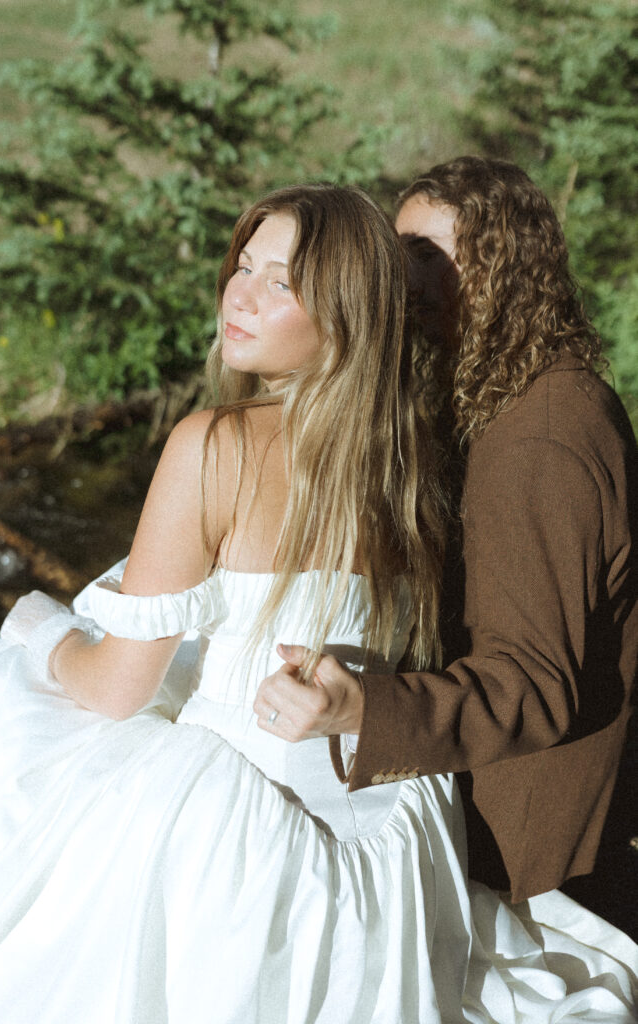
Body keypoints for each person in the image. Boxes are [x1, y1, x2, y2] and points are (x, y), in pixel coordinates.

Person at [0, 182, 635, 1024]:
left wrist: (39, 630)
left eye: (278, 281)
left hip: (244, 815)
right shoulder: (414, 460)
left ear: (348, 309)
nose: (238, 295)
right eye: (242, 265)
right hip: (392, 836)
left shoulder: (213, 444)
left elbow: (116, 688)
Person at [258, 157, 638, 910]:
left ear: (504, 270)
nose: (402, 282)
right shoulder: (525, 392)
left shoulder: (540, 442)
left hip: (529, 849)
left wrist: (360, 709)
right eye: (400, 257)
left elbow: (531, 685)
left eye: (427, 257)